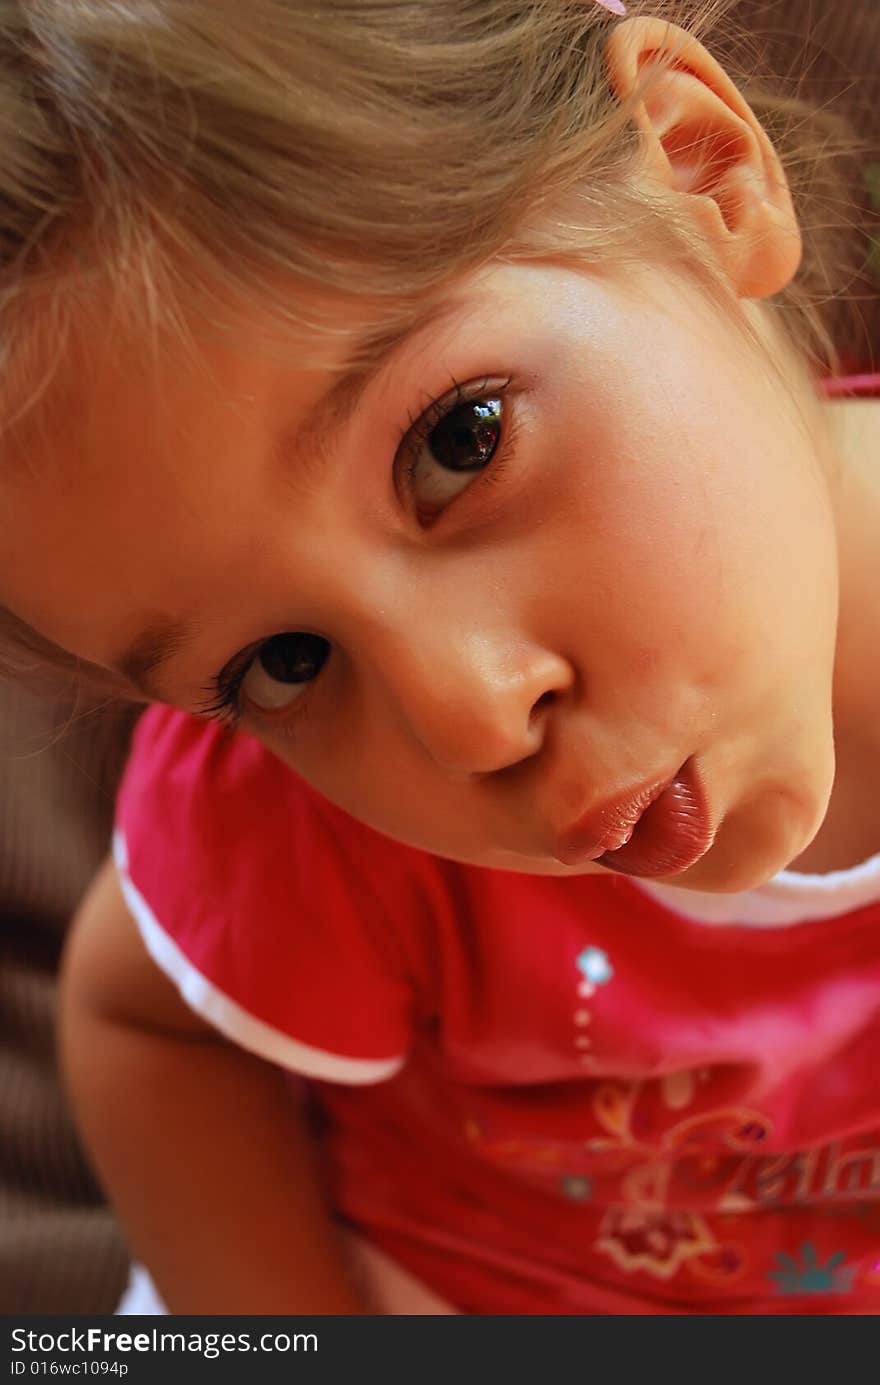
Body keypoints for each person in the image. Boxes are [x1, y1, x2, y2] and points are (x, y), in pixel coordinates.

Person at [0, 0, 878, 1314]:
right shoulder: (319, 831)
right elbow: (147, 1021)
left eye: (458, 442)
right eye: (281, 663)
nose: (466, 716)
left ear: (704, 175)